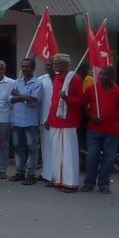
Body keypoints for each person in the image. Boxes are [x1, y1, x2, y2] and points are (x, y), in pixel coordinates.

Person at [82, 65, 119, 194]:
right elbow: (83, 107)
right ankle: (89, 183)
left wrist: (117, 119)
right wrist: (91, 116)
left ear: (111, 77)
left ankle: (103, 183)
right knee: (92, 156)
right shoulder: (92, 89)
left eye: (105, 74)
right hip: (94, 129)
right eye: (100, 74)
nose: (102, 77)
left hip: (111, 131)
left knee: (109, 158)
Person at [45, 53, 85, 193]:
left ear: (65, 64)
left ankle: (70, 182)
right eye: (53, 63)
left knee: (68, 154)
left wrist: (66, 98)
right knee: (56, 153)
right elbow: (53, 101)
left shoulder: (74, 79)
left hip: (68, 121)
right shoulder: (56, 77)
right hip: (56, 120)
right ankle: (57, 179)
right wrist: (49, 118)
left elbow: (81, 102)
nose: (53, 65)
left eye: (56, 63)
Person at [9, 58, 43, 185]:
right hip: (17, 121)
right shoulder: (16, 82)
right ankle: (20, 172)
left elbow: (33, 102)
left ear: (33, 68)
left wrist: (19, 95)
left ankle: (31, 174)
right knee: (18, 148)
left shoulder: (38, 83)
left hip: (31, 122)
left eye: (27, 67)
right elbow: (10, 99)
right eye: (22, 66)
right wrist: (24, 97)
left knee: (32, 149)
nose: (24, 69)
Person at [37, 56, 55, 182]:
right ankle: (47, 174)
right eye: (47, 65)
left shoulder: (64, 80)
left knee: (58, 149)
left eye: (52, 64)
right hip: (44, 120)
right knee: (46, 148)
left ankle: (57, 175)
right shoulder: (41, 80)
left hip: (60, 121)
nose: (49, 66)